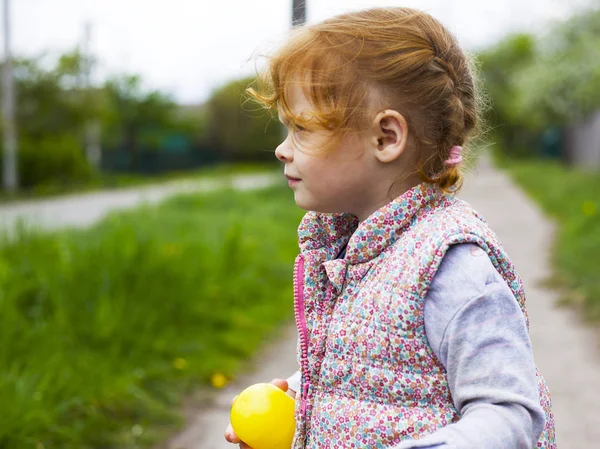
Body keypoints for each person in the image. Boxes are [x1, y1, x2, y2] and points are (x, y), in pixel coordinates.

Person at [225, 7, 556, 449]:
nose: (283, 150)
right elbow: (373, 366)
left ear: (385, 137)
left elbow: (511, 414)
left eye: (302, 128)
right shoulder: (354, 251)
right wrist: (303, 397)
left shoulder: (451, 266)